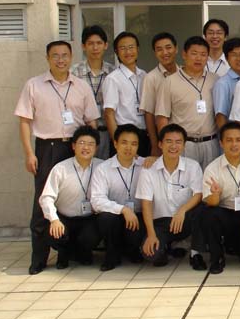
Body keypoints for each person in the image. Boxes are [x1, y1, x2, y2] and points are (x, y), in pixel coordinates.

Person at [15, 41, 100, 274]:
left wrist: (92, 148)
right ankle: (39, 258)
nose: (60, 60)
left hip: (77, 146)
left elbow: (91, 121)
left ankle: (72, 250)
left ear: (71, 57)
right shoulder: (34, 85)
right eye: (55, 56)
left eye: (64, 55)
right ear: (47, 58)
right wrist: (29, 153)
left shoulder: (81, 86)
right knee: (43, 200)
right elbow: (24, 121)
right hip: (48, 147)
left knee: (79, 194)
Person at [198, 122, 240, 274]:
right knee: (208, 214)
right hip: (226, 213)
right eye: (229, 140)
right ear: (221, 143)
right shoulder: (212, 168)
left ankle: (235, 246)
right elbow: (212, 203)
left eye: (238, 140)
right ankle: (217, 258)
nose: (234, 144)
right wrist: (215, 194)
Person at [136, 124, 205, 268]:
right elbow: (146, 204)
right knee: (151, 254)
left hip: (185, 219)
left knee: (203, 210)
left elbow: (198, 194)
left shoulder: (192, 166)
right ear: (160, 144)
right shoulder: (148, 170)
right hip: (161, 223)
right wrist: (151, 234)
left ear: (184, 145)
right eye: (169, 141)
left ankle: (195, 253)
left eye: (178, 142)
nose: (173, 146)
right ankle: (165, 248)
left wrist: (182, 211)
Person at [39, 126, 103, 270]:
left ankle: (83, 252)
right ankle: (64, 253)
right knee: (55, 233)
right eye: (81, 143)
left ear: (96, 148)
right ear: (73, 146)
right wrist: (54, 220)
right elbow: (46, 197)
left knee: (91, 236)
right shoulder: (60, 169)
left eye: (90, 144)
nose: (86, 147)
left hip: (89, 218)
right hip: (64, 218)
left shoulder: (102, 167)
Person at [155, 36, 220, 170]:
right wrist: (166, 146)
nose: (198, 58)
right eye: (194, 53)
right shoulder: (170, 82)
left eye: (203, 54)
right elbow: (162, 117)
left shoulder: (215, 80)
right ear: (184, 54)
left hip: (211, 143)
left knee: (210, 180)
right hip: (184, 144)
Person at [91, 124, 146, 271]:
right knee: (106, 218)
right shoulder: (103, 168)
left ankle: (132, 250)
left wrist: (153, 159)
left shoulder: (145, 165)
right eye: (124, 143)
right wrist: (123, 209)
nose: (129, 148)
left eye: (134, 144)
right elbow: (96, 200)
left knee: (137, 231)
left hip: (137, 216)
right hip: (114, 215)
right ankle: (112, 255)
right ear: (115, 144)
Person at [102, 31, 149, 157]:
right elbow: (109, 114)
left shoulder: (144, 75)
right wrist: (118, 143)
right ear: (116, 52)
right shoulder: (113, 79)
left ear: (138, 49)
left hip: (144, 135)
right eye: (122, 48)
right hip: (124, 137)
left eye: (131, 47)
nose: (128, 52)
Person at [71, 25, 115, 159]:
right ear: (83, 46)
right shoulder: (73, 73)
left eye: (99, 43)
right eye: (90, 43)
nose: (95, 48)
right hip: (82, 134)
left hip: (108, 132)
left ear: (106, 45)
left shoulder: (114, 72)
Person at [139, 32, 179, 156]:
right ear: (155, 53)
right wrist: (155, 144)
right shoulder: (151, 78)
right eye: (159, 49)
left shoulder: (184, 73)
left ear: (176, 49)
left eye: (168, 47)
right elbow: (149, 114)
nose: (165, 52)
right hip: (165, 138)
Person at [212, 37, 240, 128]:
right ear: (226, 58)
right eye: (234, 55)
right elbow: (220, 117)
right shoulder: (223, 84)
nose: (239, 58)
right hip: (234, 134)